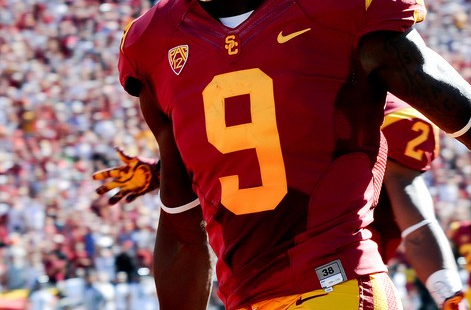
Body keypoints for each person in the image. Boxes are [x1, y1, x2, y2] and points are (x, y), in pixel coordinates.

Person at [97, 0, 471, 308]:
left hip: (338, 288)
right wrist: (156, 175)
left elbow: (460, 119)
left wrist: (449, 294)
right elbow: (180, 223)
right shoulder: (154, 42)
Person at [93, 94, 467, 310]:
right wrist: (449, 295)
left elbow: (417, 227)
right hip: (292, 281)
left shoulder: (379, 110)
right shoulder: (315, 81)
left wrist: (448, 293)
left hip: (320, 281)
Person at [373, 94, 465, 309]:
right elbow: (419, 231)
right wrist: (451, 301)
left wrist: (451, 299)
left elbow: (418, 231)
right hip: (332, 273)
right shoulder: (392, 113)